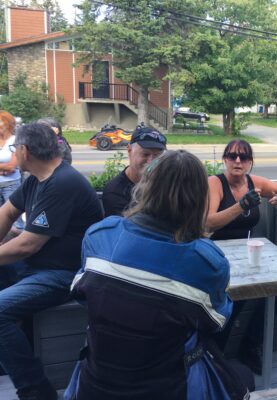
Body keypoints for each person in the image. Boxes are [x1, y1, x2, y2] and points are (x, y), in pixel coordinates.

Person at [66, 151, 243, 399]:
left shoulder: (99, 235)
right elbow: (216, 322)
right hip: (169, 387)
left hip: (95, 383)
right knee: (237, 377)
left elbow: (82, 294)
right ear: (199, 198)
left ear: (145, 187)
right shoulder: (207, 262)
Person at [0, 123, 103, 400]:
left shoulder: (63, 183)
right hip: (37, 265)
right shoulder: (37, 179)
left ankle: (36, 390)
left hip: (64, 274)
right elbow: (7, 213)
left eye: (14, 148)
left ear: (24, 151)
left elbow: (27, 245)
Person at [207, 139, 277, 372]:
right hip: (217, 256)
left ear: (250, 162)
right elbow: (208, 223)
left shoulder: (253, 182)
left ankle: (252, 344)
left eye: (244, 157)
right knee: (231, 305)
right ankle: (215, 357)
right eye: (232, 156)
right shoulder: (215, 183)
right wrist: (240, 205)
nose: (238, 161)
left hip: (246, 256)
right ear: (225, 159)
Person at [102, 126, 166, 216]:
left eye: (157, 155)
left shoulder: (165, 182)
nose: (151, 161)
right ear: (129, 150)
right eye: (145, 154)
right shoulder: (115, 192)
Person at [0, 111, 24, 232]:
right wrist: (4, 168)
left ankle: (18, 240)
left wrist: (7, 168)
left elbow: (12, 166)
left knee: (16, 220)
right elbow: (8, 166)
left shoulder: (15, 140)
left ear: (8, 124)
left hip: (11, 184)